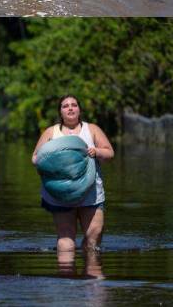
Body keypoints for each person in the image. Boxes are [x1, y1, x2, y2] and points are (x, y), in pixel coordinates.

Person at [31, 95, 114, 255]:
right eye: (65, 106)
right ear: (60, 112)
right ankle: (66, 277)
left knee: (93, 237)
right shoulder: (51, 132)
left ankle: (91, 278)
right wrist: (52, 159)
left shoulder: (92, 129)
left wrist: (96, 151)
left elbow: (110, 152)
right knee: (66, 240)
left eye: (74, 105)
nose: (70, 108)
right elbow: (35, 158)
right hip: (60, 193)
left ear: (79, 110)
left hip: (91, 192)